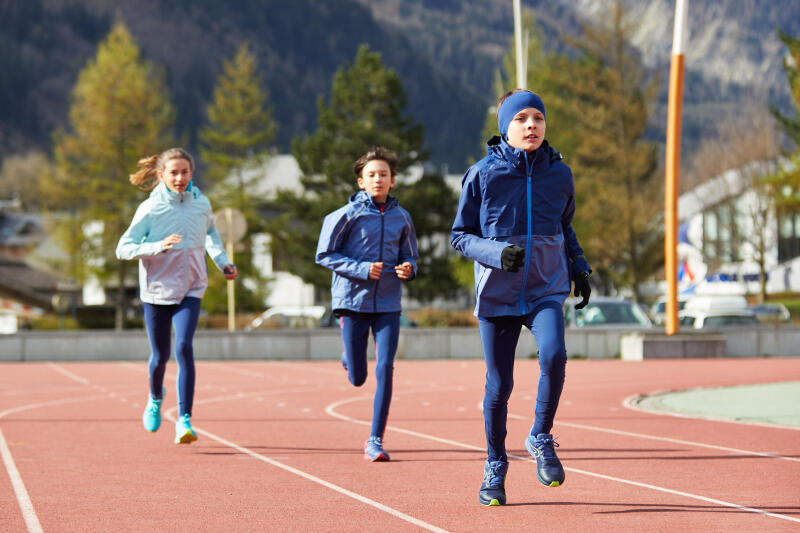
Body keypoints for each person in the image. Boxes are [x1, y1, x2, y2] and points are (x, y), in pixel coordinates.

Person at [451, 90, 592, 505]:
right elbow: (460, 236)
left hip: (546, 285)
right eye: (522, 119)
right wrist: (496, 254)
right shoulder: (481, 174)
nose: (532, 125)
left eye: (538, 118)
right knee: (499, 385)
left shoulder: (560, 174)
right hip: (497, 293)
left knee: (554, 355)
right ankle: (495, 464)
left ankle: (540, 435)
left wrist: (579, 266)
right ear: (505, 127)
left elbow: (565, 227)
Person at [116, 147, 238, 444]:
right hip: (157, 291)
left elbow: (211, 235)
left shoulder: (201, 204)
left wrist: (223, 262)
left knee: (184, 347)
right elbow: (124, 248)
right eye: (173, 172)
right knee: (160, 356)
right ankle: (155, 397)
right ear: (161, 176)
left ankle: (184, 420)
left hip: (192, 287)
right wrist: (156, 246)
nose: (180, 178)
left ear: (192, 174)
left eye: (185, 172)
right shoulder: (150, 208)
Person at [316, 146, 418, 462]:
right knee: (358, 377)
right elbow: (324, 255)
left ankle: (374, 439)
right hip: (352, 302)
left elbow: (410, 254)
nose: (378, 179)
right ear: (361, 181)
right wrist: (362, 269)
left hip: (388, 302)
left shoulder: (403, 218)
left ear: (392, 181)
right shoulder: (344, 216)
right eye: (371, 175)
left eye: (383, 175)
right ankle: (349, 357)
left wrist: (409, 268)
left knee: (386, 368)